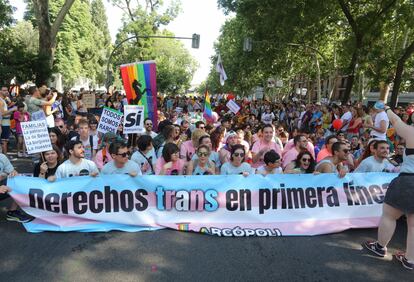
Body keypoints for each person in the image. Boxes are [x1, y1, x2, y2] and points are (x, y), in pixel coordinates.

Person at [363, 103, 414, 270]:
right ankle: (410, 259)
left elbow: (396, 121)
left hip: (408, 180)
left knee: (390, 215)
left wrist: (386, 109)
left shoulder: (412, 133)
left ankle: (380, 247)